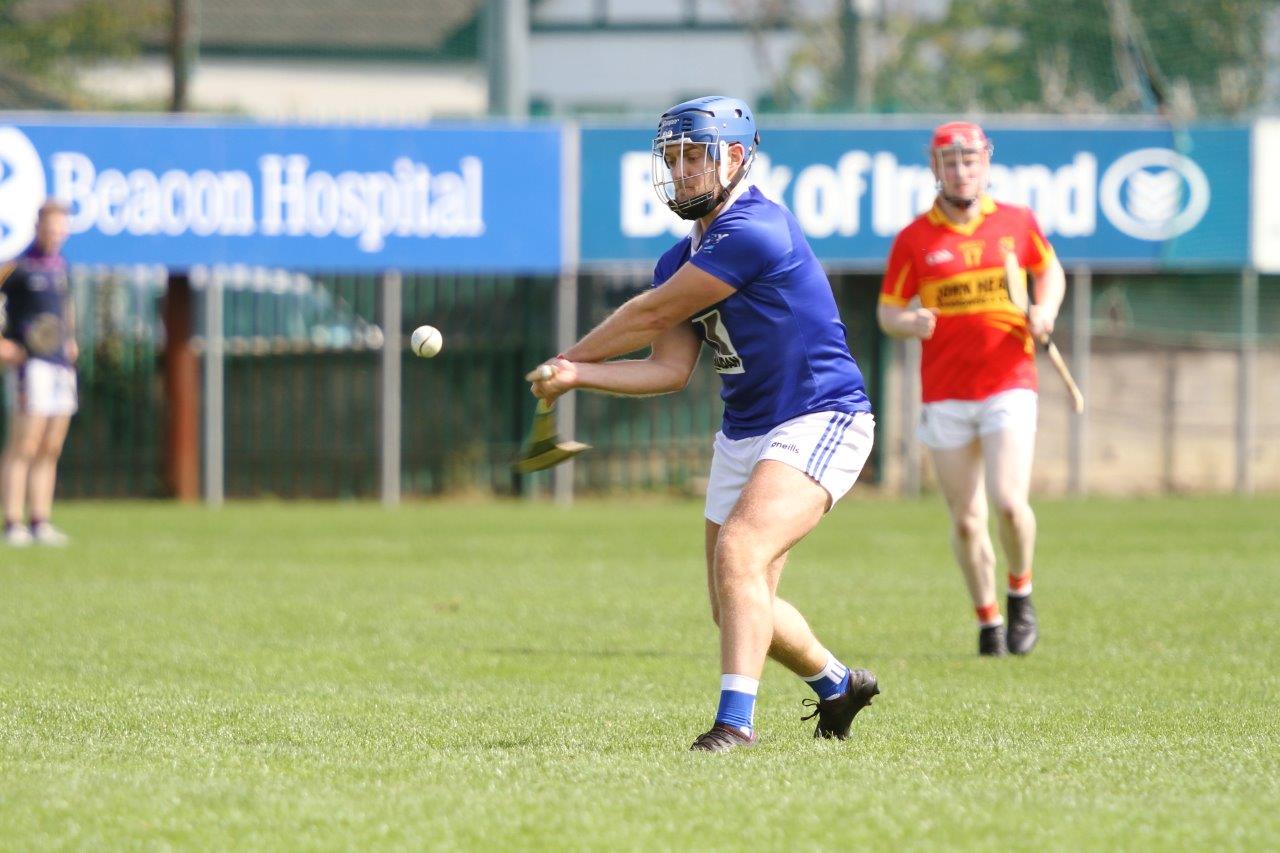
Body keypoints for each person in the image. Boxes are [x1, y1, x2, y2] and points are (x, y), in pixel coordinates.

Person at [528, 96, 879, 752]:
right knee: (733, 602)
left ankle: (734, 725)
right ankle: (837, 685)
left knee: (739, 553)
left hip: (820, 414)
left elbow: (647, 316)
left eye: (697, 155)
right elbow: (667, 367)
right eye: (673, 157)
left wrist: (569, 355)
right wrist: (579, 377)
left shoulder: (755, 229)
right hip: (744, 429)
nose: (683, 170)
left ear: (737, 158)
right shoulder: (679, 258)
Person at [877, 122, 1065, 656]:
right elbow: (887, 312)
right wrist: (909, 323)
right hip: (946, 394)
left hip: (1010, 382)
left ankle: (1020, 592)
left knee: (1008, 503)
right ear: (935, 168)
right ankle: (988, 622)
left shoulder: (1016, 222)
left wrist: (1044, 312)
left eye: (970, 160)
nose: (961, 170)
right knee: (965, 520)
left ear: (986, 163)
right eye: (950, 161)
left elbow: (1050, 273)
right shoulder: (915, 238)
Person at [0, 200, 78, 547]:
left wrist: (71, 340)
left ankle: (40, 521)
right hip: (31, 366)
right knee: (24, 445)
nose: (56, 233)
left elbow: (65, 309)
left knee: (51, 446)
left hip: (61, 365)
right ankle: (12, 522)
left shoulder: (62, 267)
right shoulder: (18, 267)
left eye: (61, 227)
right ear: (38, 228)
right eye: (51, 226)